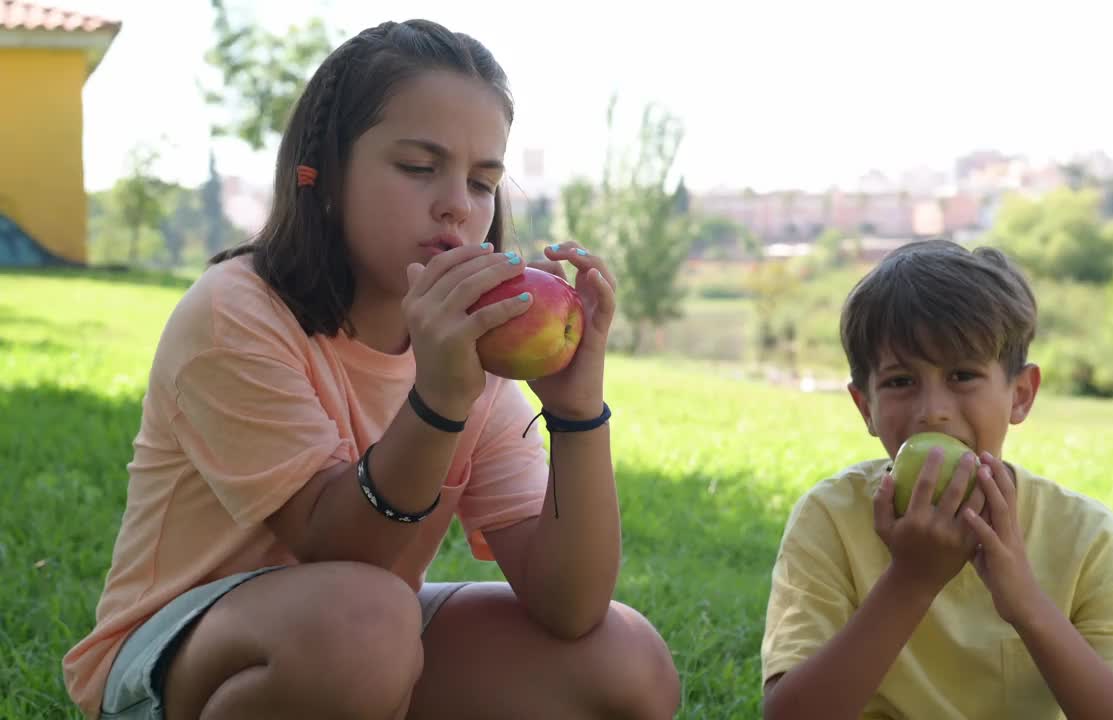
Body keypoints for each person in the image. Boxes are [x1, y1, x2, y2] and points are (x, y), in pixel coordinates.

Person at [63, 19, 679, 720]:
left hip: (356, 638)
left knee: (628, 664)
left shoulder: (470, 344)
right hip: (169, 665)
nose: (456, 202)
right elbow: (336, 546)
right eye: (419, 167)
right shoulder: (238, 313)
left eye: (483, 181)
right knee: (365, 624)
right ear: (322, 175)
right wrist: (440, 401)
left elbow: (570, 606)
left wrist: (575, 412)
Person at [760, 239, 1113, 719]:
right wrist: (911, 582)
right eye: (900, 381)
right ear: (865, 407)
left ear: (1020, 394)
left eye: (962, 375)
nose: (933, 411)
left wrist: (1027, 605)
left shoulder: (1086, 537)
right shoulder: (830, 519)